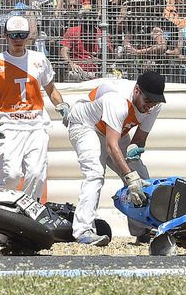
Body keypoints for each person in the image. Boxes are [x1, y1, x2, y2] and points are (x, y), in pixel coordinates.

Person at [66, 71, 166, 245]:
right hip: (86, 126)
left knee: (141, 176)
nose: (150, 106)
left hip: (113, 130)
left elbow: (139, 139)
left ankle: (142, 231)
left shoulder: (154, 106)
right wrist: (129, 177)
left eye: (155, 102)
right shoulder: (118, 100)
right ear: (137, 90)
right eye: (147, 101)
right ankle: (83, 231)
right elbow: (112, 147)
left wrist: (134, 152)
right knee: (95, 172)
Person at [0, 15, 69, 201]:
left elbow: (51, 89)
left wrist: (61, 105)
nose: (18, 39)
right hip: (9, 127)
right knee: (11, 175)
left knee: (36, 175)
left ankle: (29, 211)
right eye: (14, 35)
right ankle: (0, 207)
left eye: (22, 35)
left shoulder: (40, 59)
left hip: (37, 125)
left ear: (28, 36)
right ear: (6, 36)